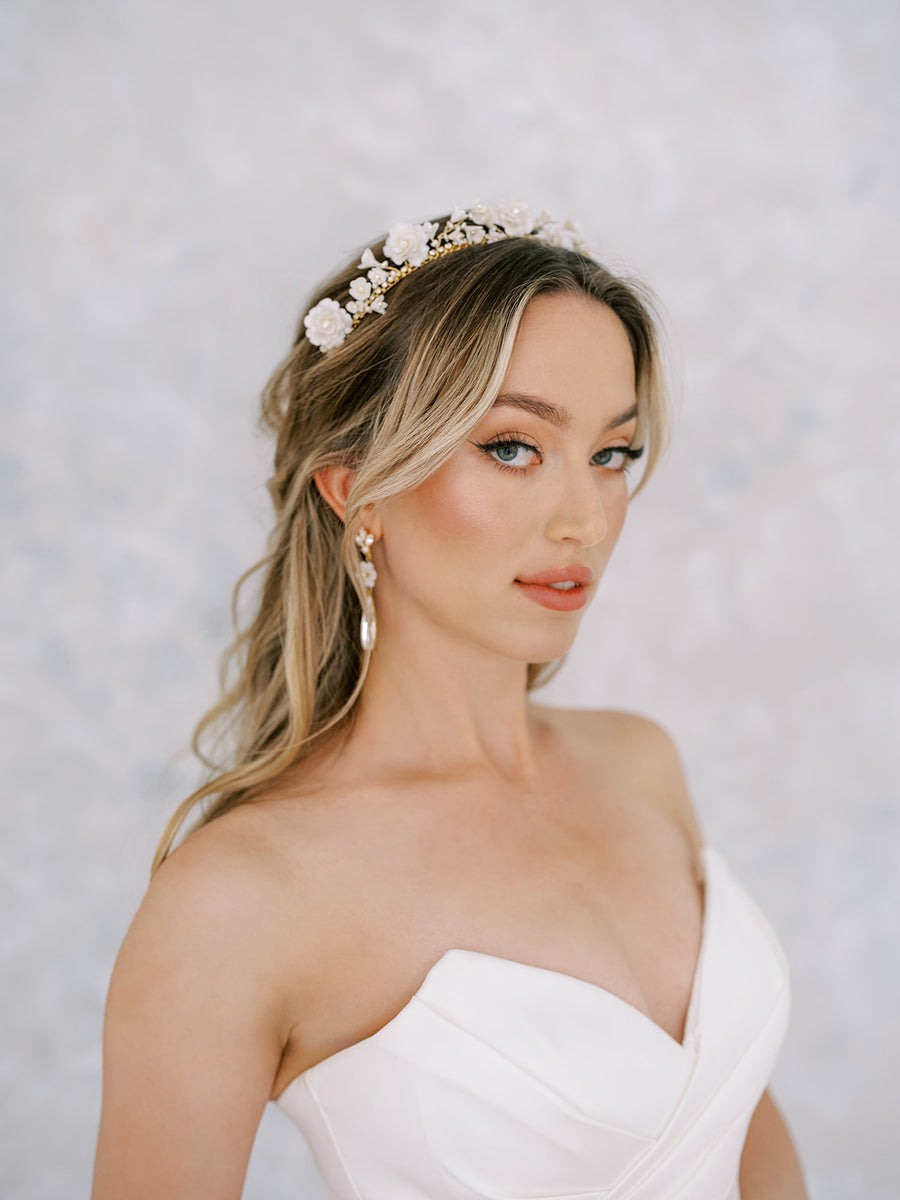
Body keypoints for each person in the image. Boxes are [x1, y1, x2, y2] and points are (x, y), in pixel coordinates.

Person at [92, 202, 808, 1199]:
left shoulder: (639, 764)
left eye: (614, 454)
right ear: (358, 491)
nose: (583, 520)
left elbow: (745, 1146)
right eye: (513, 447)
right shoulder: (239, 899)